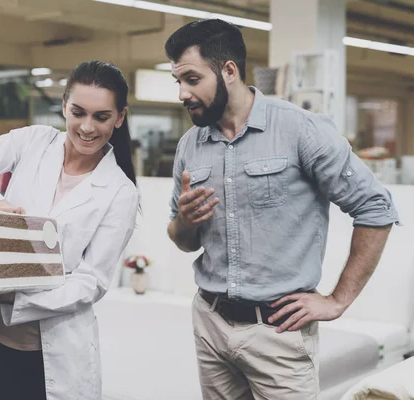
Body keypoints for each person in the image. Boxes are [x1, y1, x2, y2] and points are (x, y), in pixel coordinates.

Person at [165, 19, 399, 399]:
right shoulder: (190, 145)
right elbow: (182, 240)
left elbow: (375, 207)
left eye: (191, 79)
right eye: (177, 81)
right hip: (210, 322)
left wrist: (338, 300)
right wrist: (184, 222)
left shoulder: (299, 130)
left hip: (279, 332)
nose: (182, 93)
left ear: (229, 71)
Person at [0, 60, 140, 400]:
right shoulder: (33, 141)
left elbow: (91, 281)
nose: (87, 127)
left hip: (50, 355)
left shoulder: (120, 192)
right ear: (64, 107)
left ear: (120, 117)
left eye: (101, 116)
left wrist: (17, 296)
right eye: (78, 112)